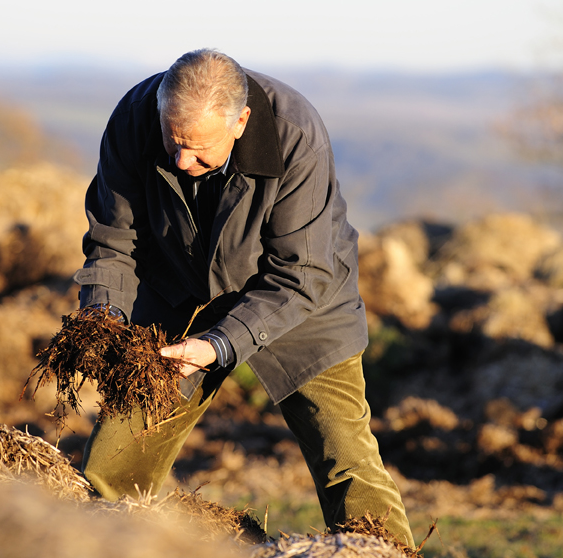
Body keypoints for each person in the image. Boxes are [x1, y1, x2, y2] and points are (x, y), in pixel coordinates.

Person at [75, 48, 413, 546]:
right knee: (114, 458)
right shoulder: (134, 117)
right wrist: (104, 316)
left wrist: (219, 344)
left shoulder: (295, 135)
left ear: (241, 121)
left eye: (198, 148)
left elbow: (302, 271)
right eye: (173, 144)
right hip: (179, 289)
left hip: (301, 297)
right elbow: (113, 240)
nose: (182, 161)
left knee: (346, 458)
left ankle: (385, 556)